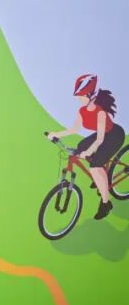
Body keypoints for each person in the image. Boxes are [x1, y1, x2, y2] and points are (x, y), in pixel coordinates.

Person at [47, 74, 123, 220]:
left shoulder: (100, 113)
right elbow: (74, 129)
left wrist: (89, 151)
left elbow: (100, 139)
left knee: (95, 166)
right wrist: (56, 134)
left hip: (114, 136)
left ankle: (106, 204)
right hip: (102, 135)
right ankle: (100, 174)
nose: (79, 99)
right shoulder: (82, 111)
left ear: (91, 96)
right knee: (80, 146)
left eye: (82, 96)